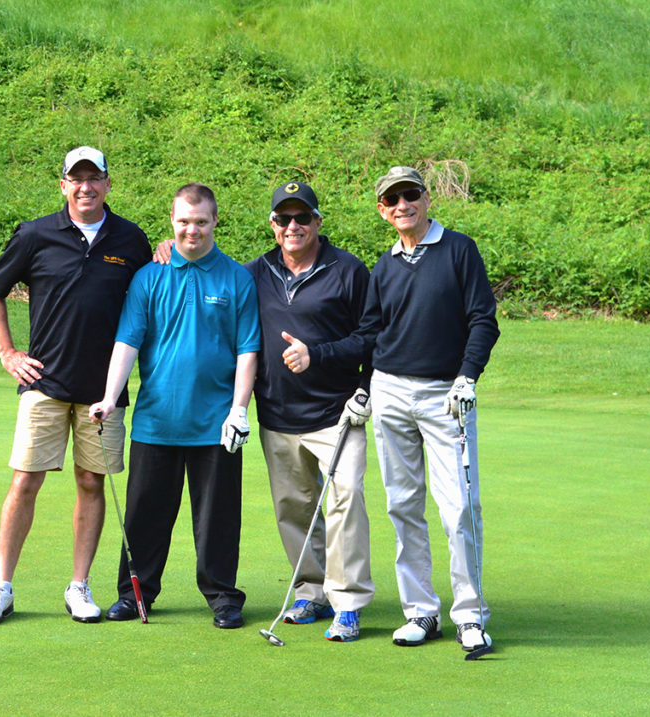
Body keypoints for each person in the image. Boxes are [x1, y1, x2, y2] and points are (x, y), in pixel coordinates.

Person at [283, 166, 499, 653]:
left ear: (426, 199)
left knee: (459, 508)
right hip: (392, 394)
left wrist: (468, 375)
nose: (403, 205)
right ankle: (421, 611)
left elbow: (483, 319)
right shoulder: (384, 267)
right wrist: (356, 381)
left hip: (447, 394)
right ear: (382, 210)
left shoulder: (459, 251)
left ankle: (470, 615)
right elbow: (370, 338)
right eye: (392, 199)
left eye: (411, 195)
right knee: (403, 507)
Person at [0, 146, 151, 625]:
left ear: (108, 184)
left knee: (91, 482)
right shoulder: (36, 235)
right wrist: (8, 353)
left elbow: (151, 295)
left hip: (103, 392)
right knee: (25, 480)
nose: (86, 187)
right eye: (77, 179)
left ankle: (79, 586)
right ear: (63, 185)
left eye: (95, 178)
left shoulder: (131, 239)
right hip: (45, 382)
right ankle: (2, 586)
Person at [89, 183, 260, 629]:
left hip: (216, 423)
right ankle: (135, 594)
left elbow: (247, 350)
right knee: (146, 515)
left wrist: (239, 409)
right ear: (172, 221)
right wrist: (110, 396)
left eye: (201, 222)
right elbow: (128, 341)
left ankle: (223, 596)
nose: (192, 231)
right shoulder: (149, 276)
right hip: (157, 420)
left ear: (215, 222)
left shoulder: (237, 278)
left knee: (218, 520)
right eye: (184, 222)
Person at [245, 181, 375, 642]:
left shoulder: (348, 270)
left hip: (337, 414)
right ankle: (311, 590)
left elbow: (371, 337)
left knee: (345, 502)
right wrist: (165, 249)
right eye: (284, 219)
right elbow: (204, 276)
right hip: (277, 414)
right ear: (273, 225)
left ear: (319, 221)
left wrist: (320, 357)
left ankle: (349, 602)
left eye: (303, 218)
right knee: (295, 508)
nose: (293, 226)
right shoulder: (254, 272)